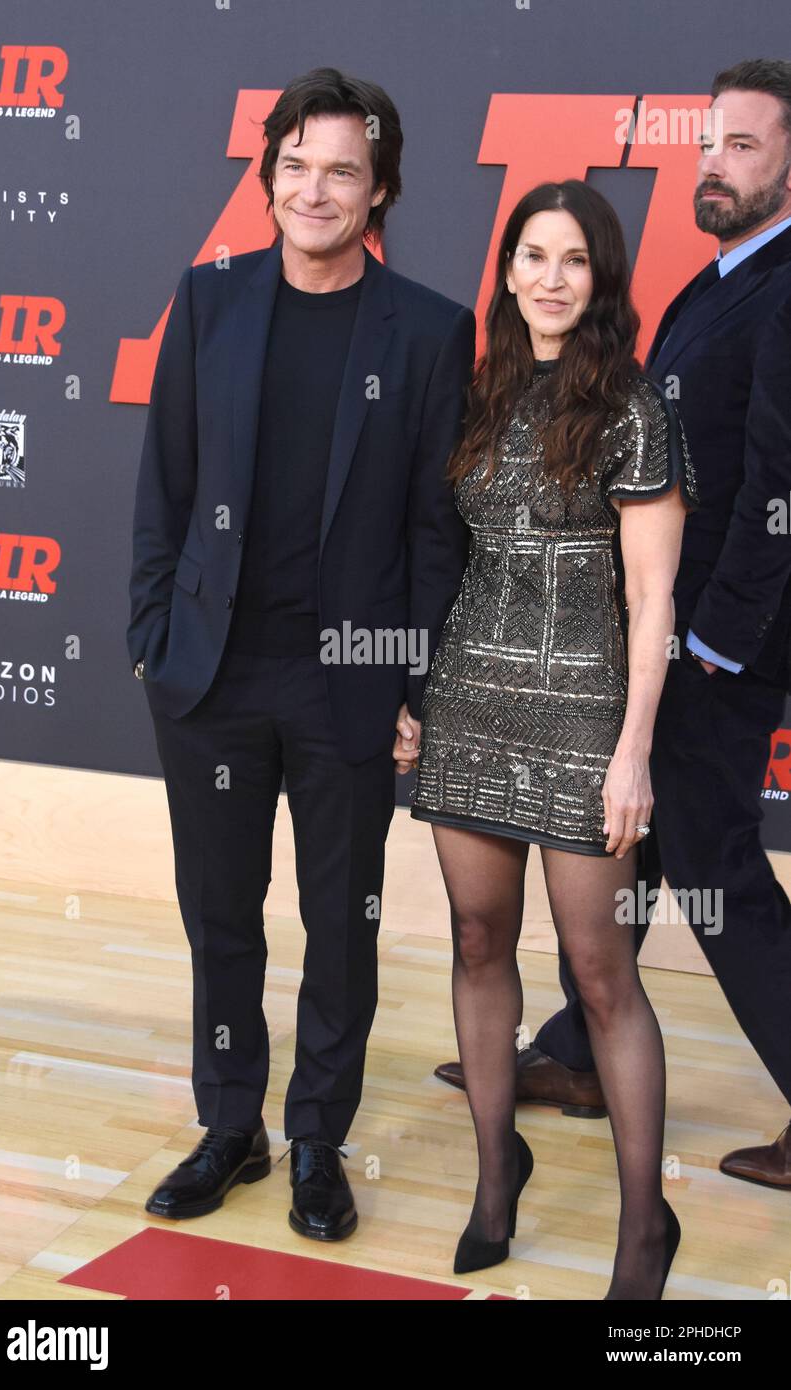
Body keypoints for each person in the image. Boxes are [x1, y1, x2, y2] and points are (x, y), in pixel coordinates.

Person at [127, 67, 475, 1240]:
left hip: (351, 688)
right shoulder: (209, 298)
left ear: (378, 189)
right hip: (213, 678)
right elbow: (163, 491)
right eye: (295, 165)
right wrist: (150, 644)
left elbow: (437, 529)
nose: (314, 189)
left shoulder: (430, 329)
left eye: (341, 170)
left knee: (344, 922)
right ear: (267, 174)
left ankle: (318, 1133)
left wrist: (415, 682)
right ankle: (232, 1124)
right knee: (220, 916)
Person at [434, 57, 791, 1196]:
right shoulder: (724, 278)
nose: (716, 165)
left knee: (713, 862)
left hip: (722, 642)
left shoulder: (784, 284)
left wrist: (715, 642)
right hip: (669, 634)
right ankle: (579, 1056)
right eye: (709, 145)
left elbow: (782, 480)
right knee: (624, 854)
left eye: (744, 145)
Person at [399, 179, 697, 1297]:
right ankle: (494, 1172)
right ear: (508, 266)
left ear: (601, 277)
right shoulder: (475, 388)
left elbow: (654, 599)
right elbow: (443, 547)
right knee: (480, 943)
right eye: (533, 255)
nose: (551, 278)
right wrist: (413, 693)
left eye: (574, 259)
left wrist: (633, 750)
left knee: (602, 971)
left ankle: (643, 1230)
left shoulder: (633, 405)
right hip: (470, 695)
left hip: (585, 715)